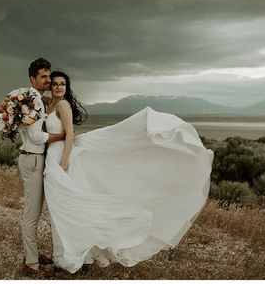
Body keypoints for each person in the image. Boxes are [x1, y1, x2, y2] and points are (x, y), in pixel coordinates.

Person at [43, 70, 213, 274]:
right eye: (55, 84)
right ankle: (76, 255)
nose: (59, 87)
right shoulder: (49, 104)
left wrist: (64, 162)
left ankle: (69, 259)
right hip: (52, 156)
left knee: (66, 207)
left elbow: (69, 133)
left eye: (63, 84)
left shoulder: (62, 105)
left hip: (61, 157)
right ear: (49, 87)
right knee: (62, 207)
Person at [13, 58, 65, 278]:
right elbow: (36, 136)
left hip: (36, 159)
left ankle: (32, 255)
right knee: (32, 213)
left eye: (48, 75)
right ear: (32, 79)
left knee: (37, 210)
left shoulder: (35, 98)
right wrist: (63, 136)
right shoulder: (32, 99)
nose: (48, 79)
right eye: (43, 76)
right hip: (33, 159)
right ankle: (31, 263)